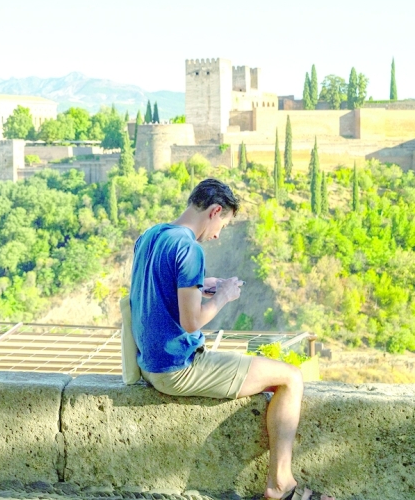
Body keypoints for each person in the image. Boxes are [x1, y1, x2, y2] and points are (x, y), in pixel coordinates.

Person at [130, 178, 333, 500]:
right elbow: (191, 322)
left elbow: (157, 286)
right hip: (177, 367)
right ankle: (280, 484)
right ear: (215, 211)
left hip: (150, 363)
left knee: (280, 375)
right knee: (291, 378)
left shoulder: (151, 235)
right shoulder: (190, 249)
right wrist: (223, 295)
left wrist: (205, 284)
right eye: (222, 225)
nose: (217, 235)